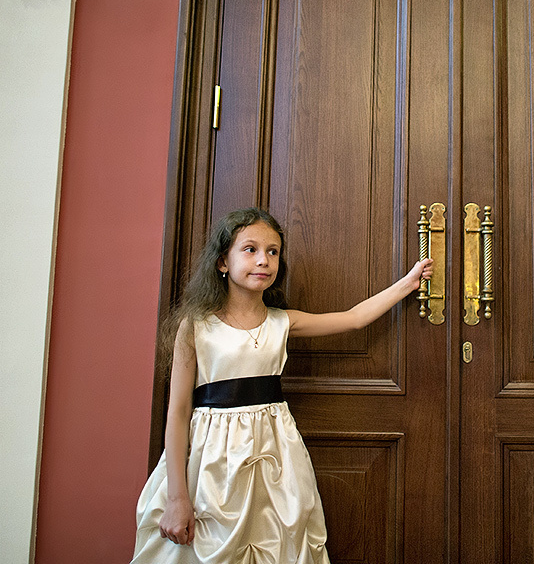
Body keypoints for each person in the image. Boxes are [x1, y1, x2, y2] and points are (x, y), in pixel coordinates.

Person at [132, 207, 432, 563]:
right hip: (211, 460)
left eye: (272, 252)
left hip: (274, 453)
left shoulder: (282, 322)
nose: (263, 260)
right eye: (250, 249)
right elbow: (179, 411)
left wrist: (408, 282)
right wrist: (178, 497)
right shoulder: (196, 326)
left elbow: (353, 319)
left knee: (276, 541)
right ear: (222, 263)